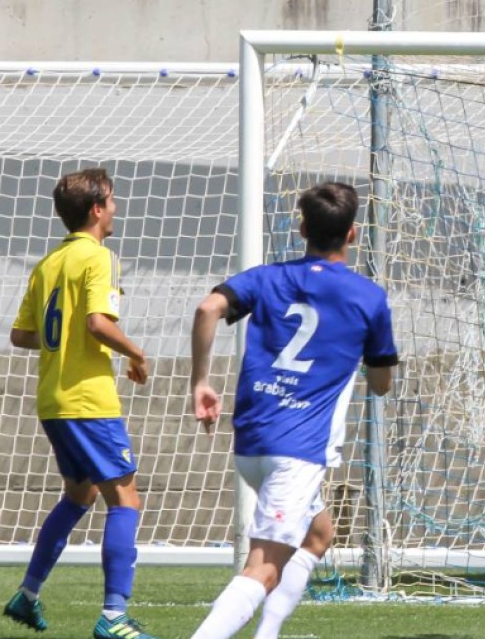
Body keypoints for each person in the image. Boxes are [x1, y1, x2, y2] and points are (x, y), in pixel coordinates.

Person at [189, 182, 398, 638]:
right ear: (353, 233)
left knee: (318, 534)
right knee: (262, 569)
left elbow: (208, 309)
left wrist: (201, 382)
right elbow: (381, 384)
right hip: (298, 451)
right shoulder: (368, 297)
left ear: (302, 230)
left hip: (252, 442)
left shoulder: (266, 278)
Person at [3, 168, 156, 639]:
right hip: (88, 400)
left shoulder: (48, 263)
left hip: (53, 400)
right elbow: (97, 323)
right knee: (125, 498)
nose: (116, 207)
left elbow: (21, 335)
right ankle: (114, 616)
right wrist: (137, 353)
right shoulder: (99, 257)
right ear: (96, 209)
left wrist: (63, 340)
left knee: (79, 494)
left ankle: (27, 595)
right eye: (111, 200)